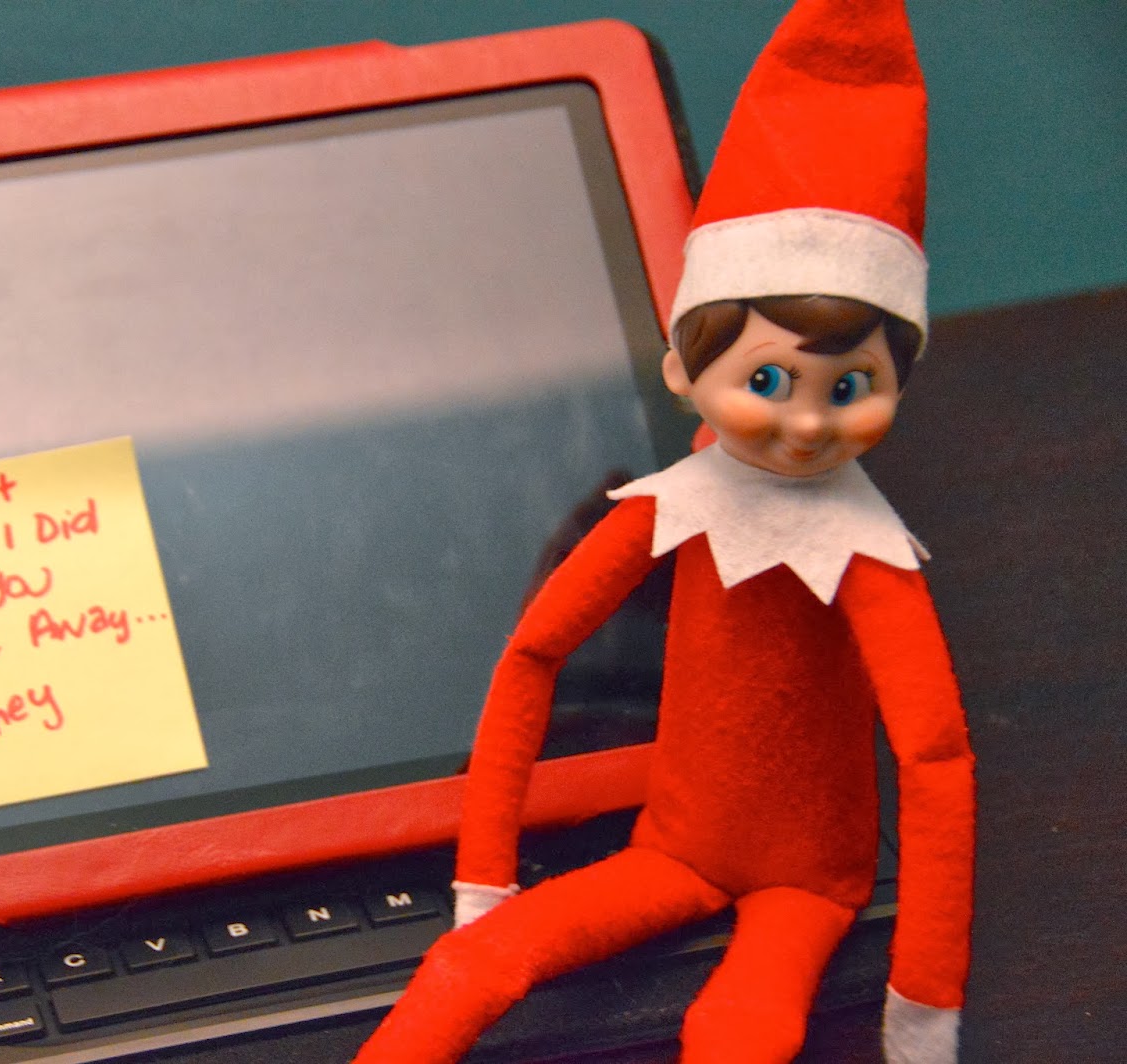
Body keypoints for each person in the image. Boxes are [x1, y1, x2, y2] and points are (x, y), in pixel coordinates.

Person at [352, 2, 973, 1062]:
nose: (806, 423)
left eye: (850, 386)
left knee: (739, 1025)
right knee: (467, 967)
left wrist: (919, 1007)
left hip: (810, 880)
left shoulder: (866, 556)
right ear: (683, 369)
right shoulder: (669, 508)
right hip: (673, 846)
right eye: (766, 380)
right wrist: (484, 889)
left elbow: (936, 760)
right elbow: (535, 652)